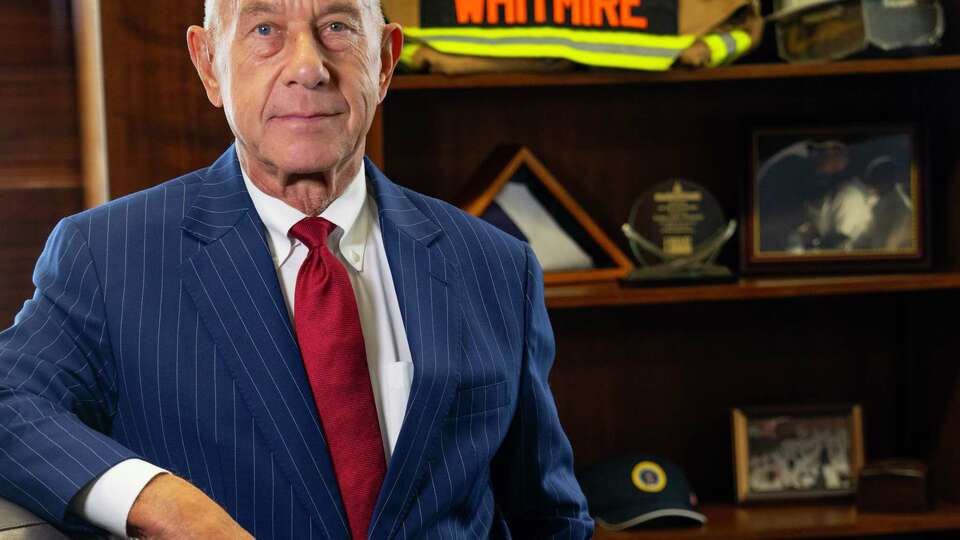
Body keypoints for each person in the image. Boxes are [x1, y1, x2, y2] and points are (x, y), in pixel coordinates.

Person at [0, 0, 594, 538]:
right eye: (265, 30)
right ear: (209, 65)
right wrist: (163, 502)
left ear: (385, 61)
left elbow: (549, 516)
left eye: (337, 28)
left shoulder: (495, 265)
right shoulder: (108, 254)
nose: (308, 67)